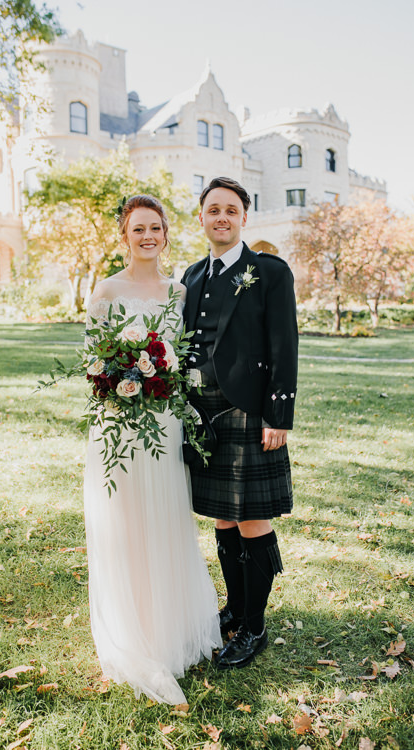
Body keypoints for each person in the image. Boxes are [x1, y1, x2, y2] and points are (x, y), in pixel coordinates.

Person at [83, 194, 221, 704]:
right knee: (125, 519)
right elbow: (94, 366)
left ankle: (168, 628)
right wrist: (121, 380)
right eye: (138, 228)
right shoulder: (106, 290)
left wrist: (157, 383)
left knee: (163, 517)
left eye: (155, 228)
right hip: (118, 425)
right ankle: (132, 630)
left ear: (166, 234)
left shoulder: (178, 293)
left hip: (163, 423)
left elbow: (184, 359)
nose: (147, 236)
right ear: (125, 235)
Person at [181, 177, 298, 670]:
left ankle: (255, 626)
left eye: (231, 210)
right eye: (213, 210)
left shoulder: (268, 271)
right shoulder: (189, 275)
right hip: (202, 416)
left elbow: (284, 343)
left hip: (250, 413)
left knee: (252, 519)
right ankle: (235, 607)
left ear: (244, 217)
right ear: (202, 218)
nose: (221, 218)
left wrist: (279, 413)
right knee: (224, 518)